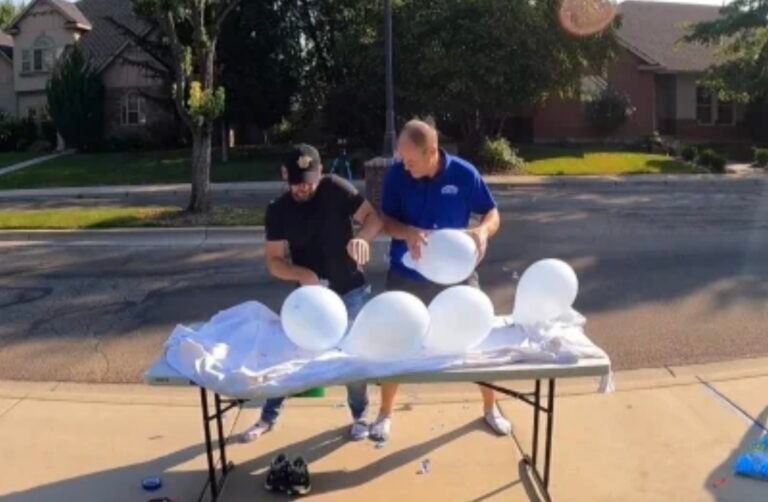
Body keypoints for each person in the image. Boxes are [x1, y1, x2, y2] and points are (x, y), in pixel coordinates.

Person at [370, 119, 511, 442]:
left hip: (457, 272)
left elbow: (492, 213)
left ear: (431, 151)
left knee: (477, 338)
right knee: (395, 341)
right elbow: (386, 221)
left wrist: (482, 231)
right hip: (408, 272)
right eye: (402, 159)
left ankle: (491, 408)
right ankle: (385, 413)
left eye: (411, 160)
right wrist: (407, 232)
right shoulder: (397, 175)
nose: (405, 166)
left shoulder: (463, 174)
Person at [238, 144, 383, 443]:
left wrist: (362, 238)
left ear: (320, 173)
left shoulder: (336, 189)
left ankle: (360, 415)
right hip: (308, 299)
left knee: (352, 357)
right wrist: (300, 274)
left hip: (350, 290)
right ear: (284, 175)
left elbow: (373, 218)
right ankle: (268, 416)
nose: (304, 187)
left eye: (309, 181)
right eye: (297, 182)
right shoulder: (278, 210)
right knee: (287, 354)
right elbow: (274, 261)